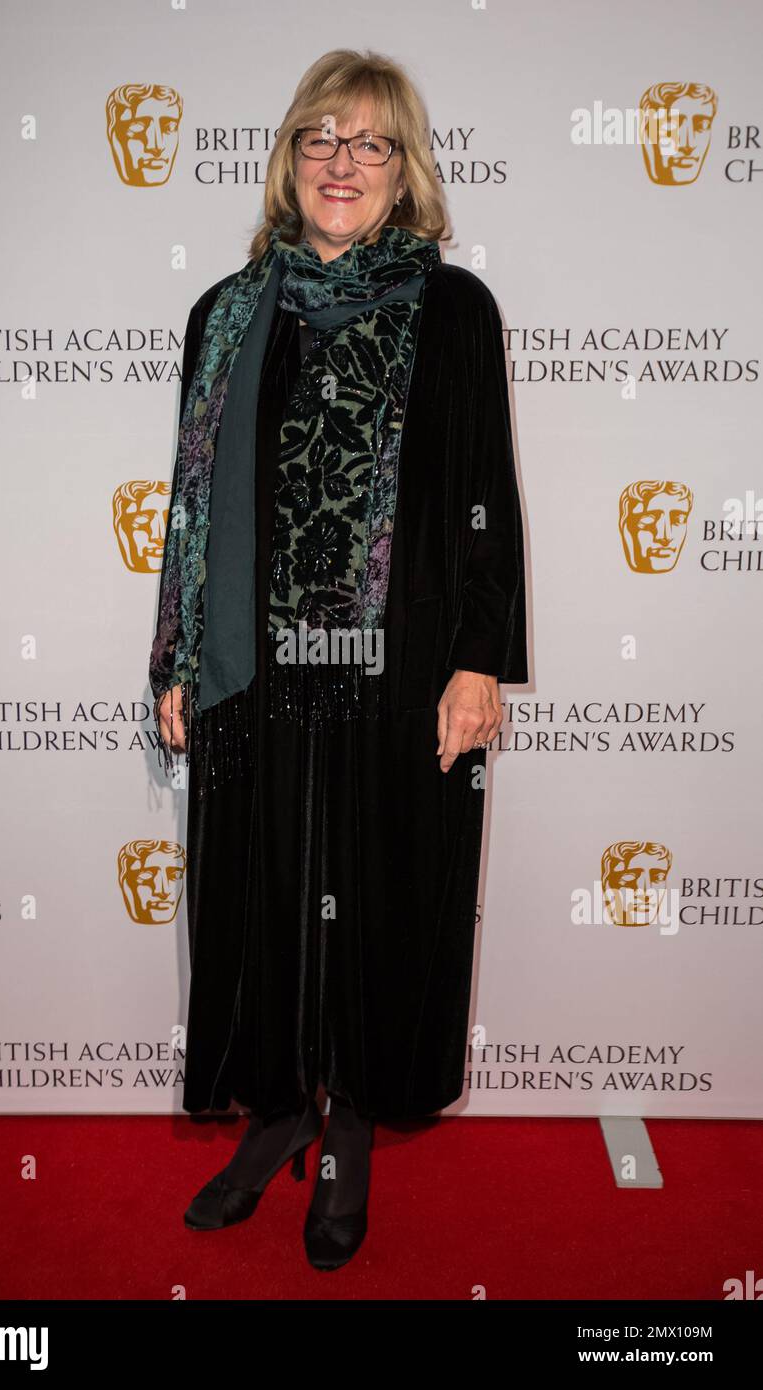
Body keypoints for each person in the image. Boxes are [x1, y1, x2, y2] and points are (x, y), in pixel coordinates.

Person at [148, 47, 528, 1272]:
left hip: (396, 659)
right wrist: (174, 655)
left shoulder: (452, 310)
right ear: (288, 160)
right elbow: (190, 509)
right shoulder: (225, 313)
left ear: (404, 167)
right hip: (253, 671)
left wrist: (479, 658)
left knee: (372, 896)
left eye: (369, 143)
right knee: (260, 894)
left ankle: (350, 1125)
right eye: (320, 137)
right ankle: (272, 1114)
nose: (341, 162)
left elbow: (483, 500)